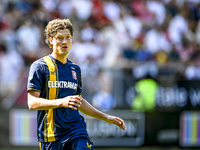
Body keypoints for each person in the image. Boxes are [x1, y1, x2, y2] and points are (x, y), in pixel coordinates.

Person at [27, 18, 126, 150]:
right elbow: (32, 103)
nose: (64, 42)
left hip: (76, 131)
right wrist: (61, 102)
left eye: (68, 37)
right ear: (51, 40)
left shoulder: (75, 69)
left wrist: (106, 117)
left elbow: (78, 101)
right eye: (59, 38)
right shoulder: (40, 66)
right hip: (51, 136)